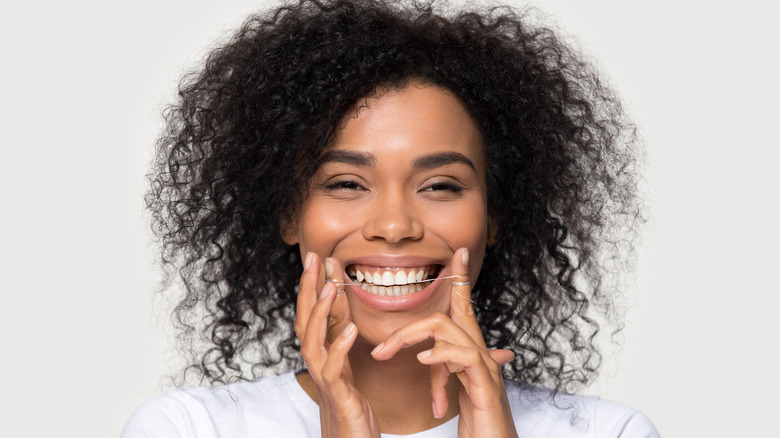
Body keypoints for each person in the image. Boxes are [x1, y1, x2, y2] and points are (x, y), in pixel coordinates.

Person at [124, 0, 658, 436]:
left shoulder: (607, 433)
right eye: (346, 184)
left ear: (495, 216)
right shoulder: (189, 428)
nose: (395, 225)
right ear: (289, 215)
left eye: (441, 186)